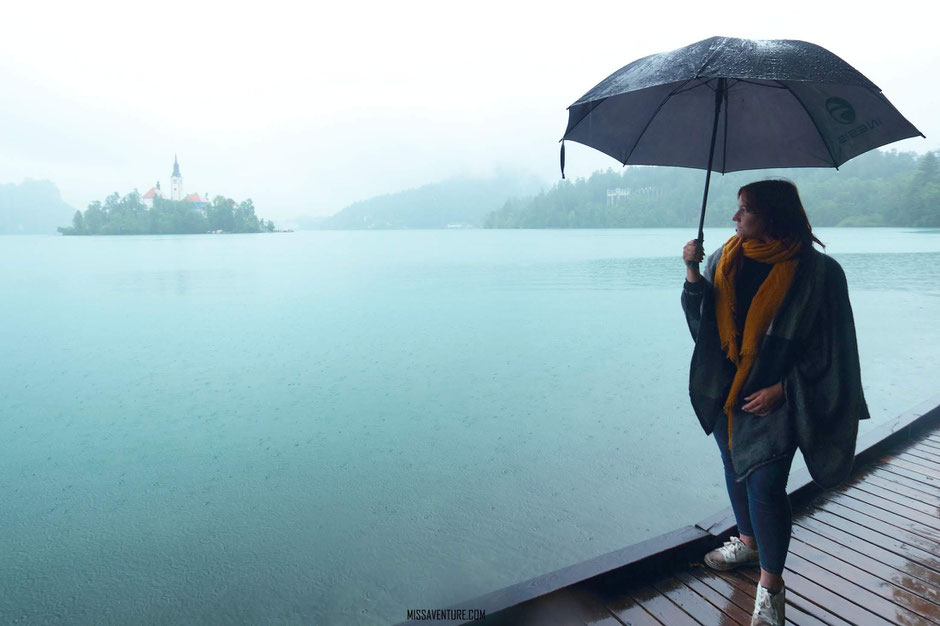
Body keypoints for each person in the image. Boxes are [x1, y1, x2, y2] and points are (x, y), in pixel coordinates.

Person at [680, 179, 869, 626]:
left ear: (773, 216)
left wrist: (784, 389)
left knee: (765, 486)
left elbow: (835, 350)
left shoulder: (820, 273)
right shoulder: (723, 261)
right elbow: (705, 329)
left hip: (780, 397)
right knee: (734, 467)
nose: (735, 217)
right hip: (730, 394)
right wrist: (691, 274)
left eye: (745, 210)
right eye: (737, 208)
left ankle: (771, 587)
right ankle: (747, 541)